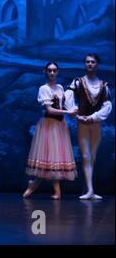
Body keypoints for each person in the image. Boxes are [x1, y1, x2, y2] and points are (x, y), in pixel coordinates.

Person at [23, 62, 78, 200]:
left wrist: (74, 110)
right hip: (48, 125)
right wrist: (67, 111)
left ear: (58, 72)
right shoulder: (44, 88)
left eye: (54, 71)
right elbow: (49, 110)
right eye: (49, 70)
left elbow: (65, 103)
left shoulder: (60, 88)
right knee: (48, 159)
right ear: (45, 72)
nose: (52, 73)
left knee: (55, 159)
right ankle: (34, 184)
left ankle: (54, 190)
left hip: (59, 125)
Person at [65, 53, 112, 200]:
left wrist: (92, 117)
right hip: (83, 124)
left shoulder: (103, 85)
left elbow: (107, 106)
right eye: (87, 62)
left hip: (96, 124)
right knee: (85, 156)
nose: (90, 64)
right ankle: (89, 190)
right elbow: (67, 98)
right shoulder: (78, 82)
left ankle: (89, 189)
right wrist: (76, 115)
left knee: (93, 156)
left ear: (97, 64)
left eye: (92, 62)